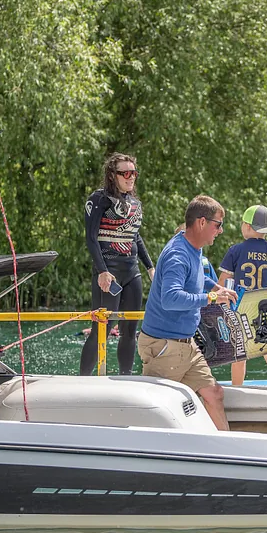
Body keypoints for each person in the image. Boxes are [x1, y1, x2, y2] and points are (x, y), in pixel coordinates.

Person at [137, 195, 237, 430]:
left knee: (214, 394)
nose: (220, 231)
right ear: (202, 222)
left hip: (186, 345)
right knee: (155, 410)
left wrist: (214, 286)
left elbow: (195, 277)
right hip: (165, 346)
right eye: (218, 224)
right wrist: (211, 298)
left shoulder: (193, 249)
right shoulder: (178, 255)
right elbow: (170, 299)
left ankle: (228, 450)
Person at [80, 153, 154, 376]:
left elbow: (136, 238)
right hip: (108, 271)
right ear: (113, 176)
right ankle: (82, 381)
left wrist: (150, 267)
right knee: (101, 328)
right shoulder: (99, 199)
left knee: (130, 330)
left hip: (132, 272)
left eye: (134, 173)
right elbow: (91, 238)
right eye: (126, 173)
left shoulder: (135, 204)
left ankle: (126, 377)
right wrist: (102, 271)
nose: (131, 177)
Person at [218, 205, 267, 389]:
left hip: (240, 308)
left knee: (239, 355)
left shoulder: (235, 251)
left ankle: (237, 391)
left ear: (248, 226)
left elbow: (222, 283)